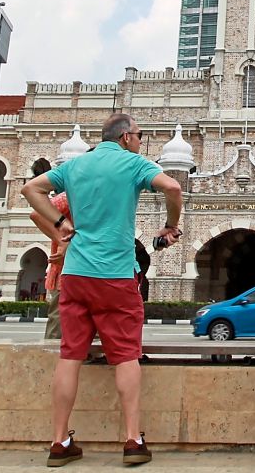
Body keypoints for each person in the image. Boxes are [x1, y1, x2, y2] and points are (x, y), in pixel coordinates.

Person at [21, 113, 183, 469]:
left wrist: (61, 224)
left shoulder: (75, 166)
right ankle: (133, 440)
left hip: (75, 276)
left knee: (70, 356)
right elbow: (173, 187)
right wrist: (171, 225)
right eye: (140, 135)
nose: (141, 141)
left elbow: (30, 189)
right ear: (125, 137)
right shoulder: (133, 163)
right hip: (116, 276)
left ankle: (59, 442)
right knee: (125, 356)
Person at [38, 192, 72, 341]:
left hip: (92, 276)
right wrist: (62, 241)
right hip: (65, 275)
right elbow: (38, 214)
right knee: (58, 330)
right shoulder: (72, 194)